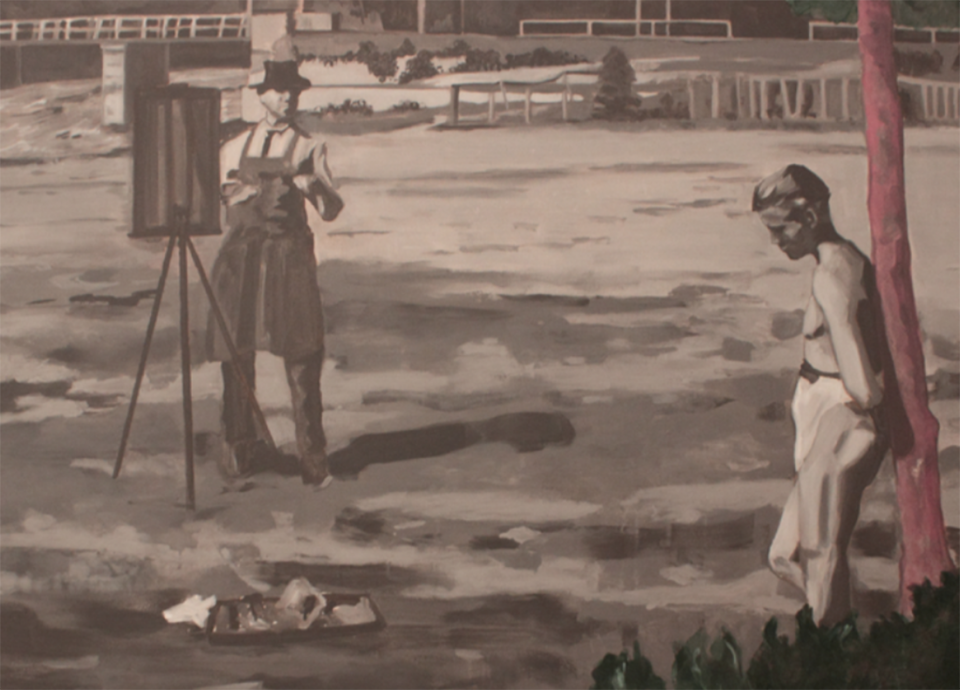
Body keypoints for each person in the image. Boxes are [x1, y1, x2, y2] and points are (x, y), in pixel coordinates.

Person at [754, 164, 888, 626]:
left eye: (780, 228)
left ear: (810, 217)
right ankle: (838, 626)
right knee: (783, 556)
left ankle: (829, 645)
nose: (776, 241)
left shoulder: (833, 275)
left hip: (841, 416)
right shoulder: (836, 266)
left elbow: (864, 385)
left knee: (820, 552)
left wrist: (844, 417)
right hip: (825, 415)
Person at [207, 60, 343, 486]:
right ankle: (240, 449)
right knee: (235, 355)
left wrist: (311, 186)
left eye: (294, 91)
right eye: (280, 90)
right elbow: (215, 201)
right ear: (261, 95)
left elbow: (331, 209)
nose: (288, 98)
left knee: (302, 357)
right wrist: (234, 194)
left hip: (288, 261)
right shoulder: (234, 146)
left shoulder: (309, 147)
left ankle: (313, 459)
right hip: (241, 260)